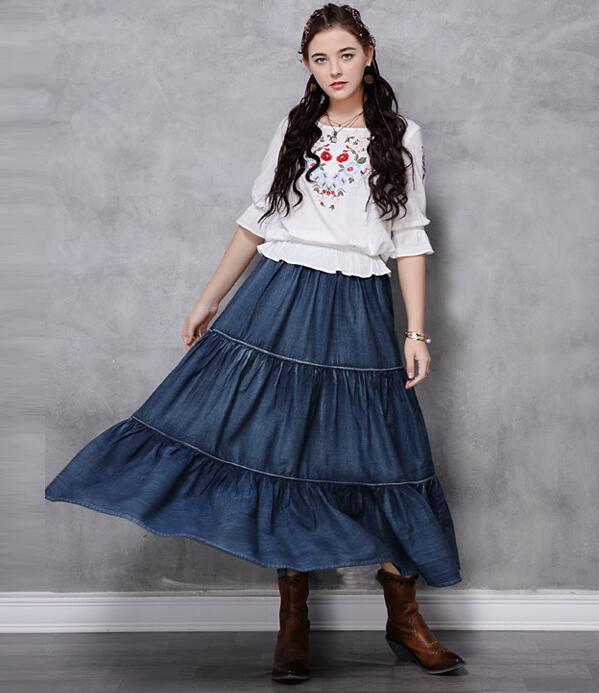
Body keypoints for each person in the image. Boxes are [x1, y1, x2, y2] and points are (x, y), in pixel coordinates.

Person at [44, 3, 466, 684]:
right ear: (307, 66)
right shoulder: (294, 129)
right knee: (281, 448)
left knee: (386, 451)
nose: (334, 69)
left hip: (359, 304)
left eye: (346, 55)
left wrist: (415, 331)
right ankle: (294, 620)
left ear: (369, 54)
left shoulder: (401, 136)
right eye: (320, 59)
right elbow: (257, 222)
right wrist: (208, 298)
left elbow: (408, 236)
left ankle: (404, 619)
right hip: (280, 300)